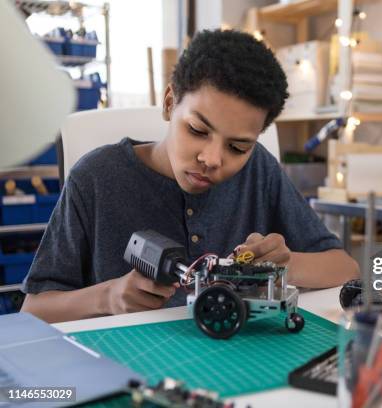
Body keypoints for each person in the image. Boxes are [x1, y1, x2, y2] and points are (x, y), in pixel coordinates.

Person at [21, 29, 359, 323]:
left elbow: (345, 267)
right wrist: (107, 297)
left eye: (238, 147)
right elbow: (34, 310)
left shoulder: (260, 170)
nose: (212, 159)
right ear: (170, 103)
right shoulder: (96, 177)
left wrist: (282, 266)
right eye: (198, 130)